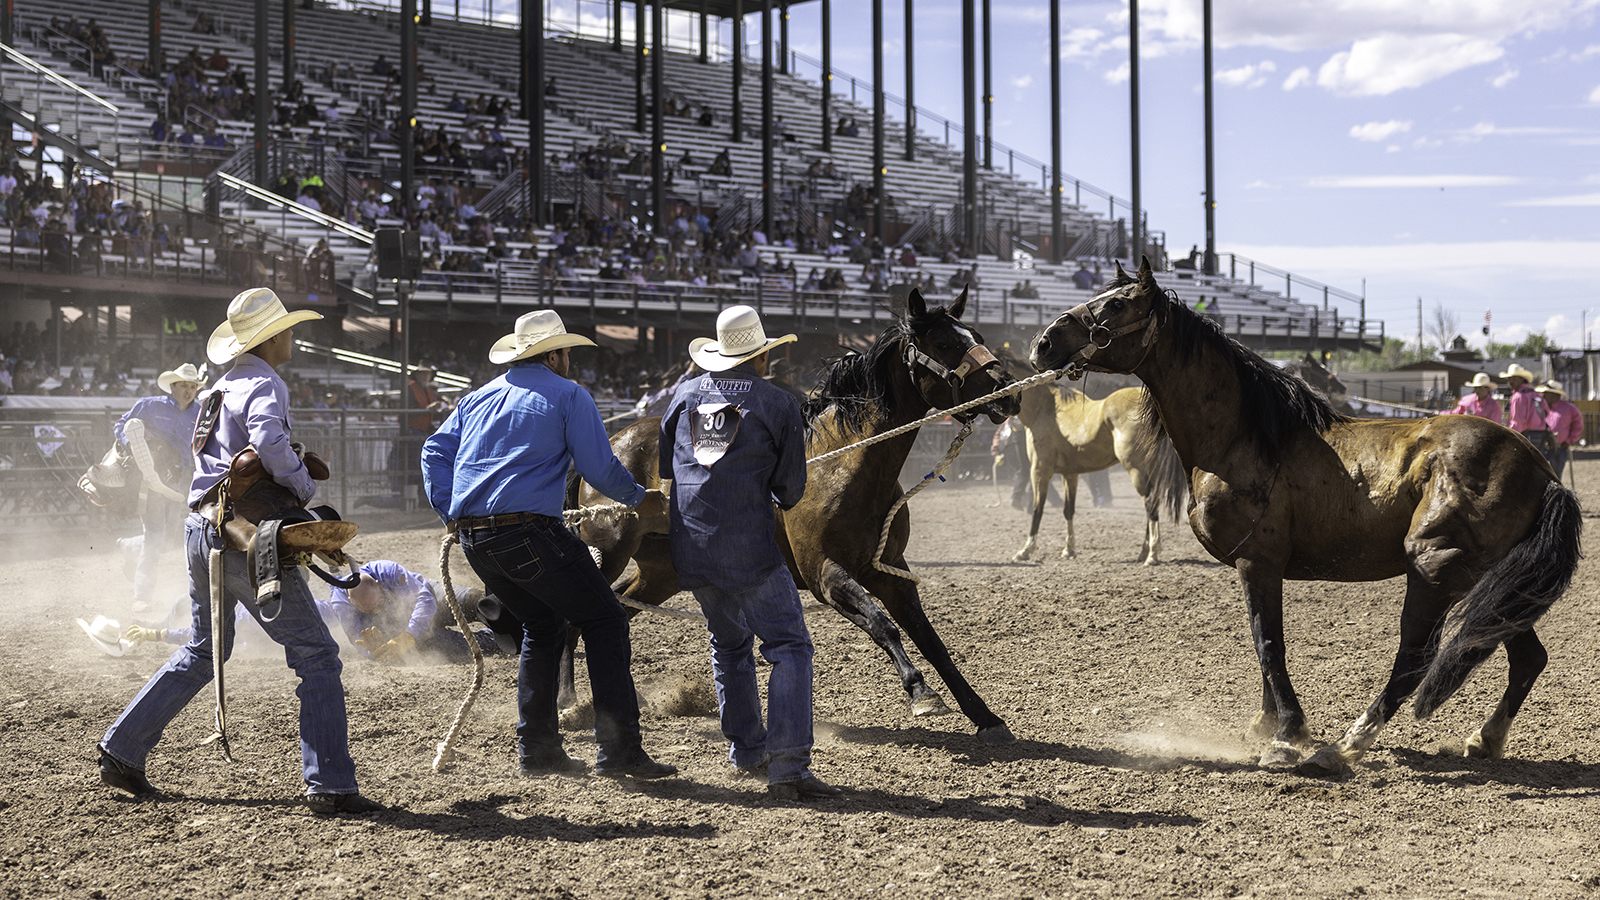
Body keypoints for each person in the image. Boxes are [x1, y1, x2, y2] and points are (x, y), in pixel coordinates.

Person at [98, 288, 383, 815]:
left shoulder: (218, 388)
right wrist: (301, 488)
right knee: (317, 656)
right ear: (272, 337)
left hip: (201, 526)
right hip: (244, 533)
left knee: (204, 650)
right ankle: (332, 784)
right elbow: (269, 443)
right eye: (288, 330)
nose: (292, 338)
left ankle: (122, 748)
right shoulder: (265, 383)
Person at [422, 309, 675, 780]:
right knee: (604, 620)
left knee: (542, 625)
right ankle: (619, 750)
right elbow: (599, 469)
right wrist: (641, 499)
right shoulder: (568, 395)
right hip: (528, 532)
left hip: (478, 539)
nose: (569, 361)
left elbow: (433, 451)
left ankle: (538, 751)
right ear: (554, 354)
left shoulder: (477, 398)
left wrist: (449, 513)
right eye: (567, 352)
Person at [659, 305, 841, 801]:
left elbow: (669, 470)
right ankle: (789, 767)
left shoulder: (684, 395)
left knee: (729, 644)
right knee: (789, 647)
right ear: (760, 357)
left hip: (691, 547)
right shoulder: (776, 403)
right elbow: (789, 490)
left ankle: (746, 751)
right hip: (747, 550)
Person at [115, 363, 205, 615]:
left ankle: (129, 546)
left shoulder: (199, 414)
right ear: (172, 387)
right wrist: (133, 441)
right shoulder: (150, 405)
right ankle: (141, 595)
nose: (188, 391)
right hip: (150, 477)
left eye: (192, 386)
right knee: (156, 536)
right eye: (184, 386)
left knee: (164, 539)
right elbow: (122, 425)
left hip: (177, 480)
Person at [321, 559, 497, 663]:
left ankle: (508, 612)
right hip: (398, 630)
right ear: (351, 602)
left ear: (378, 583)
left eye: (378, 604)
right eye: (368, 610)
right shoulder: (341, 605)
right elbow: (356, 639)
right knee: (464, 647)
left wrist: (409, 636)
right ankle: (493, 640)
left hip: (429, 596)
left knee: (475, 602)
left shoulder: (387, 570)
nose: (375, 611)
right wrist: (375, 652)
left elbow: (425, 599)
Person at [1499, 364, 1551, 457]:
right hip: (1540, 434)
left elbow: (1518, 421)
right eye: (1509, 379)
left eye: (1514, 378)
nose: (1510, 381)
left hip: (1526, 434)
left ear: (1521, 379)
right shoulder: (1535, 394)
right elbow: (1546, 412)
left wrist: (1510, 435)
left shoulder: (1518, 397)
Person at [1539, 380, 1583, 479]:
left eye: (1547, 393)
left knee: (1556, 476)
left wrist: (1568, 441)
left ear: (1555, 395)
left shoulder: (1569, 408)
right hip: (1542, 446)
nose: (1544, 396)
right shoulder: (1541, 407)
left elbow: (1578, 426)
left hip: (1559, 448)